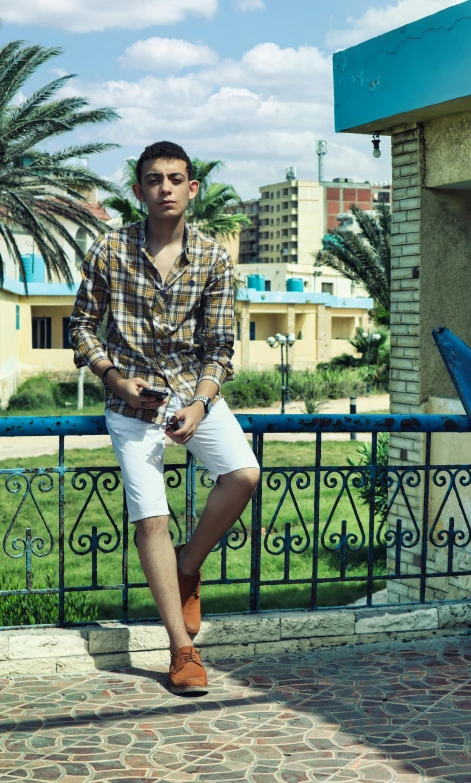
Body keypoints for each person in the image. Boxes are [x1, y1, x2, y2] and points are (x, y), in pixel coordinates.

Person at [69, 141, 260, 694]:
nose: (166, 188)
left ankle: (187, 566)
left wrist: (199, 404)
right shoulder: (110, 250)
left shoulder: (213, 257)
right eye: (154, 180)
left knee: (244, 474)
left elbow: (220, 346)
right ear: (139, 191)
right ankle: (181, 650)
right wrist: (114, 378)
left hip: (193, 394)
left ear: (192, 188)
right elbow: (81, 326)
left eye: (176, 179)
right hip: (130, 405)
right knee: (150, 517)